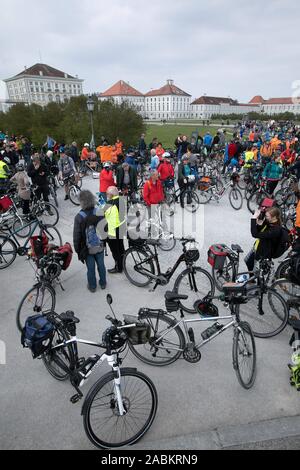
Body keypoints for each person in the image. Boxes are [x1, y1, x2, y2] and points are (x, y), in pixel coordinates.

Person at [73, 190, 106, 292]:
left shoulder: (79, 217)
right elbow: (105, 229)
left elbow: (77, 236)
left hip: (87, 249)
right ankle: (103, 283)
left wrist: (77, 249)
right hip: (99, 246)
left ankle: (92, 286)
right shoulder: (99, 211)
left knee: (90, 268)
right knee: (101, 265)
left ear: (81, 202)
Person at [245, 207, 283, 273]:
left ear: (274, 217)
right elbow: (259, 231)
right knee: (247, 261)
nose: (265, 217)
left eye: (267, 216)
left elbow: (255, 234)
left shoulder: (276, 230)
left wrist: (253, 219)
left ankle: (256, 280)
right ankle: (252, 279)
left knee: (259, 272)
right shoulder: (269, 221)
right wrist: (259, 223)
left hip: (264, 254)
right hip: (257, 247)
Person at [105, 186, 126, 274]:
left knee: (115, 250)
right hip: (121, 227)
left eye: (107, 194)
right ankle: (123, 263)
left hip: (113, 231)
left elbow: (105, 215)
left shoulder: (111, 204)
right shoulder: (121, 200)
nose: (106, 195)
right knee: (121, 247)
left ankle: (119, 267)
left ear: (111, 194)